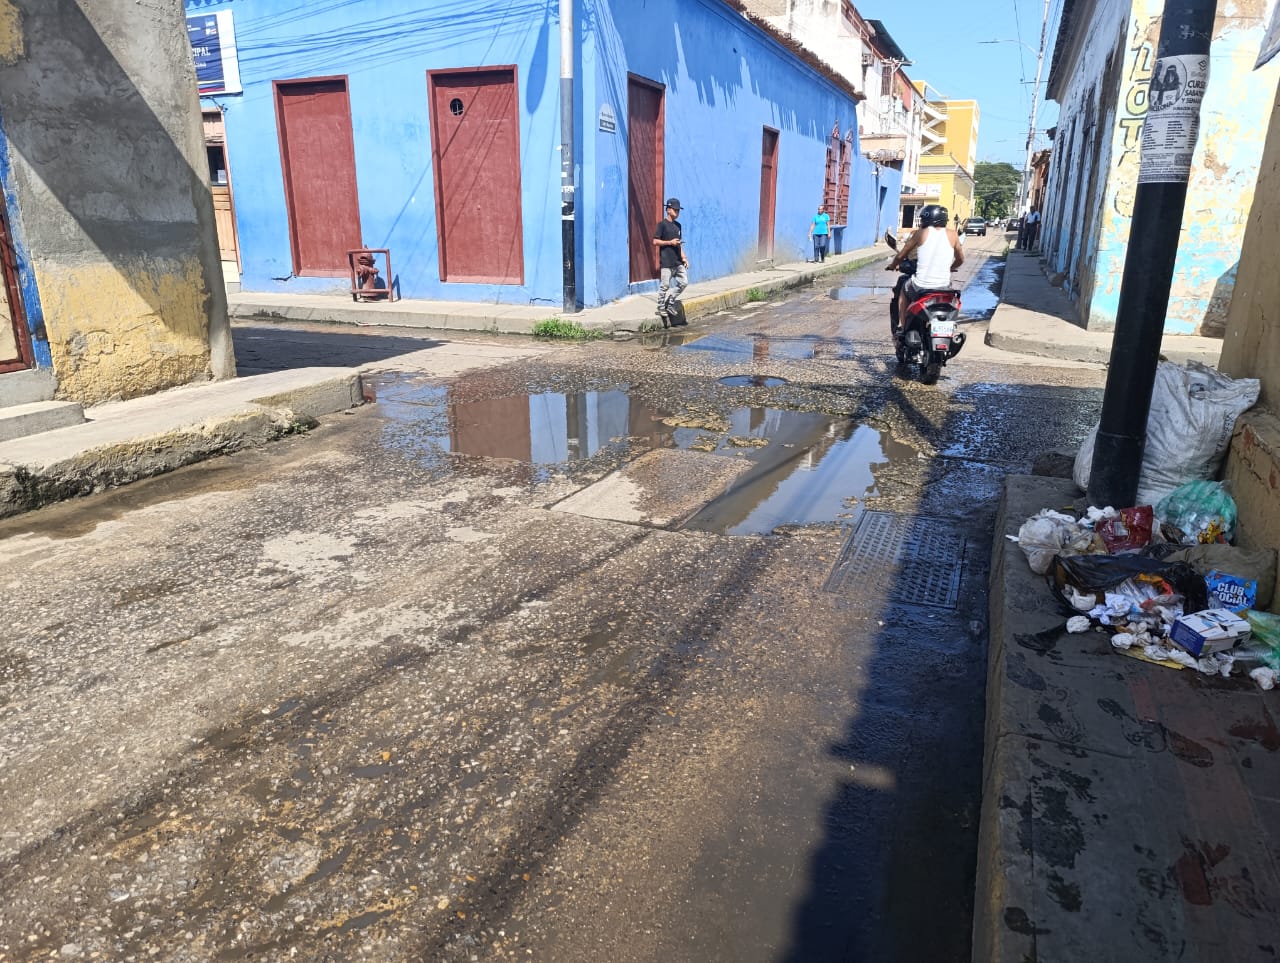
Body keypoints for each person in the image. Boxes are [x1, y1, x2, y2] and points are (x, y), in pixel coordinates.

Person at [885, 203, 964, 341]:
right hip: (944, 287)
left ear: (928, 219)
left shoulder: (920, 233)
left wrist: (892, 265)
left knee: (904, 290)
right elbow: (961, 259)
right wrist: (951, 267)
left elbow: (901, 255)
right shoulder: (953, 235)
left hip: (921, 286)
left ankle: (903, 328)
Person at [652, 197, 689, 327]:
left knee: (684, 282)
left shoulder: (678, 226)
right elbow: (655, 241)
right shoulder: (662, 225)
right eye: (675, 210)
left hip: (677, 261)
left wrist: (684, 258)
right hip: (666, 261)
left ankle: (670, 302)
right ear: (668, 209)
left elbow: (679, 244)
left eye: (678, 210)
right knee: (665, 285)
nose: (677, 212)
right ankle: (660, 307)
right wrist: (669, 242)